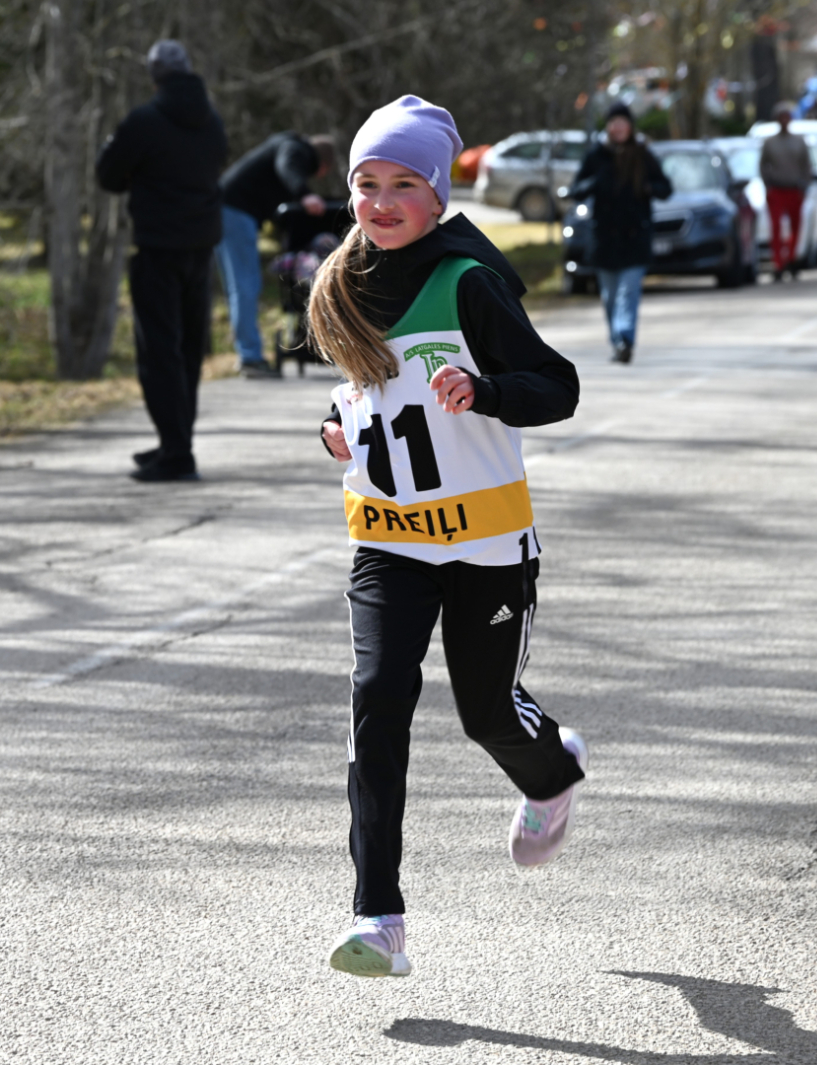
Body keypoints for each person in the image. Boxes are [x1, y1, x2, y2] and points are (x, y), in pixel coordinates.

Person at [307, 95, 586, 979]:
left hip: (484, 544)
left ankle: (550, 770)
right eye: (364, 184)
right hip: (386, 539)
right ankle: (376, 916)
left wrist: (488, 389)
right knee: (378, 700)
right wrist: (334, 428)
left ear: (436, 194)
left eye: (401, 185)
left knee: (485, 712)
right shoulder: (344, 282)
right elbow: (367, 399)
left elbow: (557, 385)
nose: (379, 202)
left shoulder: (468, 281)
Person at [95, 40, 228, 483]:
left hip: (157, 249)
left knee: (159, 351)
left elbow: (107, 175)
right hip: (201, 247)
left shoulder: (144, 121)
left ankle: (176, 452)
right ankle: (176, 441)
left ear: (154, 76)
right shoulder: (211, 122)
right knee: (188, 349)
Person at [217, 131, 337, 377]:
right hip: (233, 212)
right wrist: (305, 194)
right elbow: (287, 166)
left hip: (227, 210)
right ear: (323, 166)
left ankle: (249, 355)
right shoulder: (294, 149)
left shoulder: (286, 144)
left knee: (241, 286)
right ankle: (250, 359)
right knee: (245, 285)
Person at [570, 102, 671, 362]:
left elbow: (666, 188)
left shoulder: (642, 154)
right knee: (610, 297)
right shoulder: (596, 156)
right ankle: (617, 340)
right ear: (608, 126)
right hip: (604, 239)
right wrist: (595, 183)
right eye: (613, 122)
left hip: (635, 238)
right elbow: (576, 190)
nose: (618, 127)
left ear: (630, 126)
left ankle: (625, 339)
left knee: (629, 293)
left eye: (622, 122)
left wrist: (649, 187)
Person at [759, 104, 812, 282]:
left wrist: (804, 186)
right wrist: (767, 185)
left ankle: (791, 257)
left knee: (795, 227)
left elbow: (806, 166)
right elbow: (762, 166)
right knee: (776, 228)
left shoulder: (799, 142)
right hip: (776, 189)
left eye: (786, 117)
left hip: (794, 189)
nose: (784, 120)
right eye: (781, 117)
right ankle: (778, 263)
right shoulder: (769, 143)